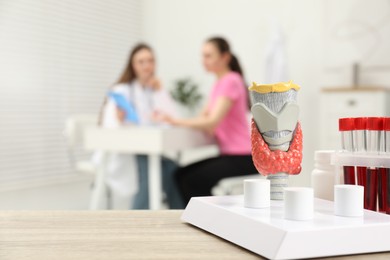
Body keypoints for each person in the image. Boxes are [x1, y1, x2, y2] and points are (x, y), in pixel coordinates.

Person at [155, 37, 257, 204]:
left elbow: (211, 121)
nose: (204, 61)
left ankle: (210, 218)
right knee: (180, 174)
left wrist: (175, 121)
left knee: (191, 180)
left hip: (243, 157)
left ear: (225, 57)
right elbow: (204, 118)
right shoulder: (219, 83)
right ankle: (204, 216)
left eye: (208, 56)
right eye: (203, 56)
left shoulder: (231, 80)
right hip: (231, 155)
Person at [98, 43, 184, 209]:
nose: (147, 65)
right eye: (141, 61)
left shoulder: (154, 91)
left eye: (150, 60)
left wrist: (160, 91)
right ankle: (136, 224)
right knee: (152, 173)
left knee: (173, 170)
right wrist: (119, 120)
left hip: (148, 149)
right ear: (133, 65)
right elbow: (108, 127)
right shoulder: (120, 90)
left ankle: (181, 218)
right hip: (126, 151)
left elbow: (173, 119)